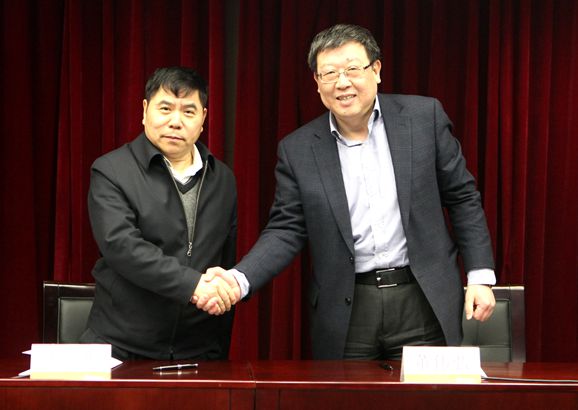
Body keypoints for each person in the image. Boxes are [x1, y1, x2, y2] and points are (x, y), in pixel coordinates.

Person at [199, 23, 496, 360]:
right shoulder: (298, 149)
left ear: (376, 70)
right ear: (317, 82)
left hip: (422, 299)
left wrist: (480, 275)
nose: (342, 83)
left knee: (424, 392)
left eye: (353, 69)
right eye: (329, 73)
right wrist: (238, 280)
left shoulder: (423, 118)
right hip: (347, 310)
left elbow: (462, 197)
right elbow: (285, 230)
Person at [81, 66, 240, 360]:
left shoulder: (223, 179)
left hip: (199, 350)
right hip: (122, 346)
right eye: (165, 108)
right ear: (145, 111)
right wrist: (192, 285)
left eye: (189, 112)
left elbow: (226, 258)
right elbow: (121, 246)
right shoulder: (111, 170)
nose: (175, 122)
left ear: (203, 119)